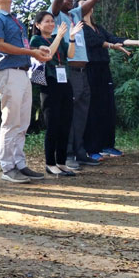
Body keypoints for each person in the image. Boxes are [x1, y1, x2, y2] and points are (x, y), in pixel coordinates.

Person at [50, 0, 112, 167]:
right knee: (69, 113)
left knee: (81, 114)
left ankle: (79, 151)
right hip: (68, 71)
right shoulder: (55, 13)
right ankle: (67, 154)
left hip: (83, 72)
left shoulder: (75, 14)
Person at [0, 0, 52, 184]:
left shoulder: (14, 19)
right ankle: (7, 167)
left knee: (23, 121)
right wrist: (30, 53)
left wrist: (35, 49)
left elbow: (22, 45)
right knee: (11, 121)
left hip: (23, 72)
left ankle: (19, 164)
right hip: (8, 72)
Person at [81, 5, 139, 159]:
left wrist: (137, 42)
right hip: (90, 69)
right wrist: (110, 45)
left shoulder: (97, 27)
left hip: (104, 69)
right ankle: (92, 149)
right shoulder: (79, 27)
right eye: (82, 4)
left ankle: (107, 145)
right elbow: (93, 41)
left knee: (108, 106)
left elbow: (114, 38)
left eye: (88, 4)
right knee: (93, 109)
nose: (87, 6)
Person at [29, 13, 82, 177]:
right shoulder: (36, 41)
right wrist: (59, 36)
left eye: (53, 21)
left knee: (65, 123)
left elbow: (71, 55)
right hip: (49, 82)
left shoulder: (59, 39)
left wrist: (71, 38)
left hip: (64, 81)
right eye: (47, 21)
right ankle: (50, 163)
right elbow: (47, 56)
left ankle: (61, 162)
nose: (51, 24)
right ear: (38, 25)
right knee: (53, 124)